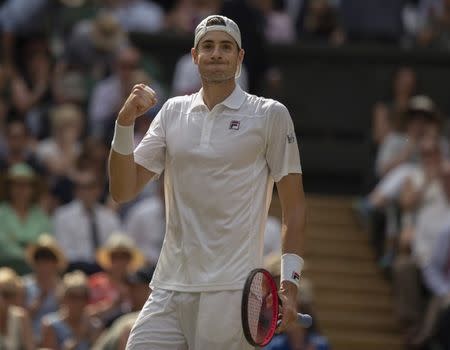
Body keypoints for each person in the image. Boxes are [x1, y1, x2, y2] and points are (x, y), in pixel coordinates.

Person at [109, 14, 306, 350]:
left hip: (232, 290)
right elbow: (122, 189)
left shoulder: (270, 114)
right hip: (169, 286)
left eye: (226, 46)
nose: (216, 53)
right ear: (194, 55)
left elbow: (295, 206)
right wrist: (124, 122)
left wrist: (289, 284)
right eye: (209, 46)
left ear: (240, 57)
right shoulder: (171, 112)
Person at [23, 233, 67, 343]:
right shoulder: (24, 285)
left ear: (55, 262)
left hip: (57, 340)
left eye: (48, 258)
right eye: (40, 257)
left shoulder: (63, 287)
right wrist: (39, 300)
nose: (44, 262)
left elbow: (67, 317)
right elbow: (19, 319)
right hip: (29, 339)